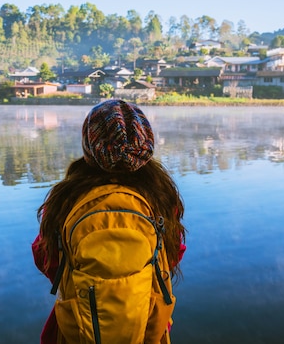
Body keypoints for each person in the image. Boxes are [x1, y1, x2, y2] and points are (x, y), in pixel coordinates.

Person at [32, 99, 186, 344]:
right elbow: (173, 253)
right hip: (148, 325)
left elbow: (46, 260)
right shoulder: (162, 196)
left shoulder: (65, 199)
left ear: (89, 145)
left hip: (77, 329)